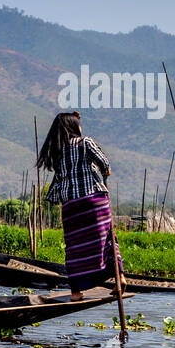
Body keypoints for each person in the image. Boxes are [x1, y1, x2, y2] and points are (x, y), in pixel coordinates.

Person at [37, 111, 122, 301]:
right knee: (108, 239)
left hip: (71, 207)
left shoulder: (57, 152)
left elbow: (57, 183)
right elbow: (105, 164)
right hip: (93, 202)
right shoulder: (86, 143)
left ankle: (76, 292)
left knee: (74, 247)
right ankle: (119, 279)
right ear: (74, 127)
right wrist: (105, 172)